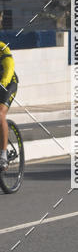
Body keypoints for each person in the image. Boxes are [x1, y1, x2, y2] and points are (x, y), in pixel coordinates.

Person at [0, 41, 18, 170]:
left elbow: (9, 66)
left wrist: (3, 83)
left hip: (8, 83)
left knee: (0, 113)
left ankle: (3, 154)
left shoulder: (2, 48)